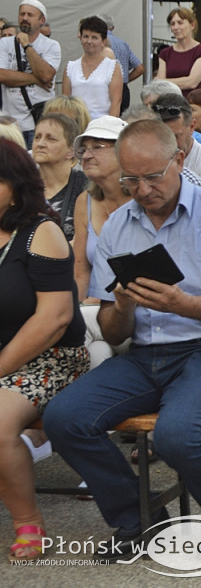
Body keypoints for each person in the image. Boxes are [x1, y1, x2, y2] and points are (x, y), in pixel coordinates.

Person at [43, 119, 201, 561]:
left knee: (178, 434)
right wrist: (124, 305)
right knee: (64, 416)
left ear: (179, 161)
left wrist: (181, 303)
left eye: (152, 177)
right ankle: (139, 516)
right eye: (130, 179)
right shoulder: (118, 226)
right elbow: (112, 331)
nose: (142, 189)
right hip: (146, 353)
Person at [0, 140, 89, 561]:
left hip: (51, 359)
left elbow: (53, 319)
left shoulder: (41, 231)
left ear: (16, 184)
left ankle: (27, 522)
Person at [70, 115, 132, 367]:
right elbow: (81, 271)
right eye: (84, 148)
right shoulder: (84, 201)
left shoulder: (145, 200)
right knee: (96, 352)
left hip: (135, 312)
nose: (86, 155)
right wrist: (79, 305)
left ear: (123, 154)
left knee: (74, 330)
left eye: (98, 147)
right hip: (96, 312)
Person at [0, 0, 61, 145]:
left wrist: (27, 46)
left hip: (39, 123)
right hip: (10, 124)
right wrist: (35, 79)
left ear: (42, 20)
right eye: (22, 14)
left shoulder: (51, 46)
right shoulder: (4, 43)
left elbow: (46, 75)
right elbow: (2, 75)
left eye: (30, 15)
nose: (25, 18)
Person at [151, 93, 201, 190]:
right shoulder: (143, 156)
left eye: (175, 137)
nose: (168, 144)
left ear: (191, 127)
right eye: (161, 137)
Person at [31, 113, 87, 241]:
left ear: (71, 151)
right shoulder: (20, 186)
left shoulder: (85, 186)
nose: (40, 143)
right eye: (37, 137)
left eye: (51, 139)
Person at [63, 16, 122, 119]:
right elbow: (65, 103)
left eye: (94, 37)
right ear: (80, 38)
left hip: (102, 127)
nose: (89, 41)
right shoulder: (70, 68)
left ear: (103, 41)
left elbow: (116, 103)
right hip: (76, 126)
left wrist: (109, 128)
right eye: (85, 36)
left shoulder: (113, 67)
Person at [155, 7, 201, 95]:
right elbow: (159, 84)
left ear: (192, 25)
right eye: (172, 24)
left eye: (180, 23)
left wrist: (163, 82)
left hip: (191, 104)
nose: (176, 27)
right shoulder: (165, 53)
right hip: (168, 103)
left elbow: (192, 82)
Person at [97, 14, 144, 114]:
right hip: (123, 90)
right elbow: (140, 68)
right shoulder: (123, 44)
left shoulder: (97, 43)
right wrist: (123, 80)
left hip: (104, 90)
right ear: (112, 28)